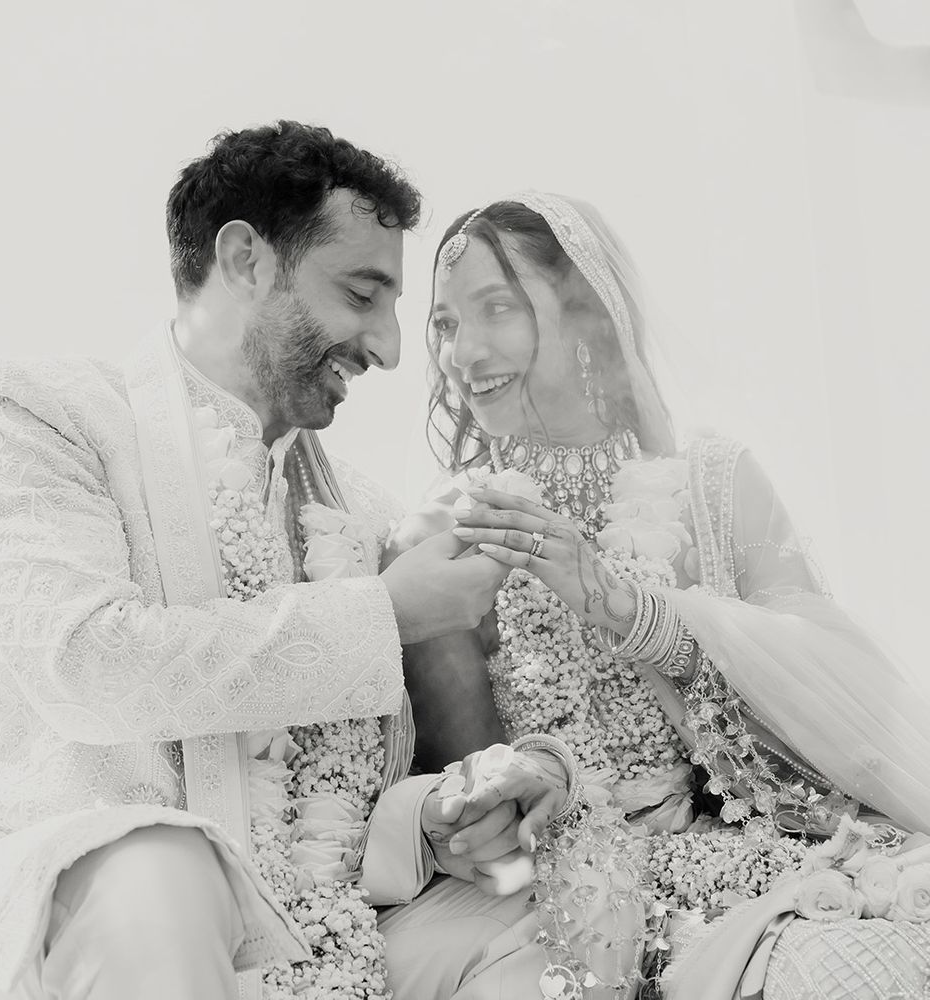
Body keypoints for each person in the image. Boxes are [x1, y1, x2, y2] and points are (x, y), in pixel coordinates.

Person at [0, 124, 573, 1000]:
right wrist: (387, 616)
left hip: (323, 935)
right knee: (165, 868)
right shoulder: (43, 418)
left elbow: (340, 803)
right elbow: (91, 666)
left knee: (546, 917)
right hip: (83, 908)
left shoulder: (367, 516)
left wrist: (441, 817)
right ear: (246, 263)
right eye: (361, 292)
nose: (388, 346)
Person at [395, 191, 930, 998]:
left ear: (589, 315)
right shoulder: (443, 539)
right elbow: (473, 793)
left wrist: (631, 612)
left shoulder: (715, 486)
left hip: (759, 862)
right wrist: (528, 783)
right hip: (556, 903)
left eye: (495, 309)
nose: (461, 353)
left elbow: (846, 719)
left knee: (853, 972)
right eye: (442, 325)